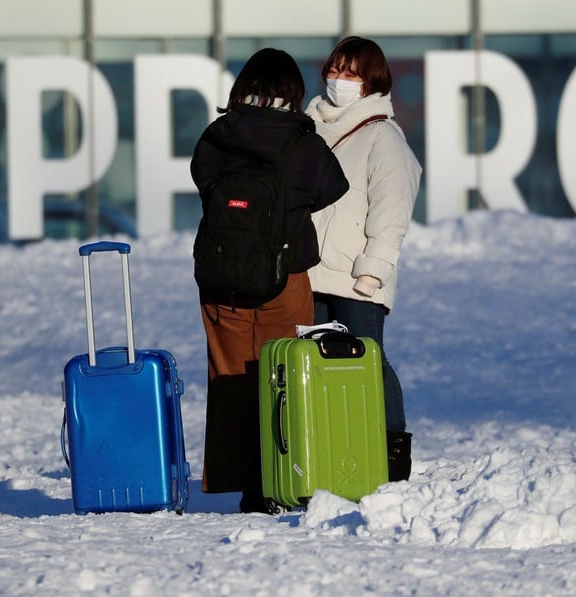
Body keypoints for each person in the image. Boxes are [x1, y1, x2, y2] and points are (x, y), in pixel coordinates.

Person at [190, 48, 349, 513]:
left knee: (230, 379)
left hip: (220, 280)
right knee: (284, 378)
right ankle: (282, 478)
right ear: (293, 94)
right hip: (286, 277)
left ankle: (244, 484)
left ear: (244, 86)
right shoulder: (303, 141)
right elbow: (332, 187)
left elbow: (203, 180)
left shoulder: (219, 135)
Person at [305, 36, 422, 482]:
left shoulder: (383, 136)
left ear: (371, 80)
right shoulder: (311, 128)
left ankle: (392, 452)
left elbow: (391, 212)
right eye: (335, 70)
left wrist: (372, 273)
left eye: (351, 73)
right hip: (310, 272)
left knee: (369, 360)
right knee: (317, 364)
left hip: (356, 279)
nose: (339, 80)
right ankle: (332, 447)